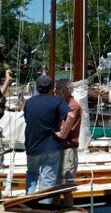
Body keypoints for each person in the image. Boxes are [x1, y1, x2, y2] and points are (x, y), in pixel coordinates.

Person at [23, 74, 73, 204]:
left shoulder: (29, 102)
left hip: (32, 146)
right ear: (52, 88)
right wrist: (63, 134)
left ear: (37, 88)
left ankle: (30, 204)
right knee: (48, 181)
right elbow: (71, 116)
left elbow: (27, 119)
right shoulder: (57, 101)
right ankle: (43, 208)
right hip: (51, 146)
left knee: (32, 175)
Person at [54, 78, 82, 205]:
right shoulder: (61, 104)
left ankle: (68, 211)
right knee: (55, 186)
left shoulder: (73, 107)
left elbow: (65, 128)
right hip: (59, 148)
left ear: (65, 90)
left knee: (65, 186)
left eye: (57, 88)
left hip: (67, 149)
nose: (54, 91)